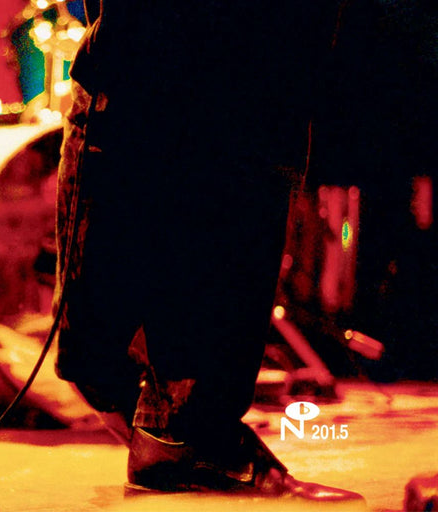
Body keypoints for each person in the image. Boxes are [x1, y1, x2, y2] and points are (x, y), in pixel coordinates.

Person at [50, 0, 401, 503]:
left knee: (250, 152)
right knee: (183, 118)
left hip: (255, 84)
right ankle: (176, 429)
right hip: (160, 78)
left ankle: (187, 435)